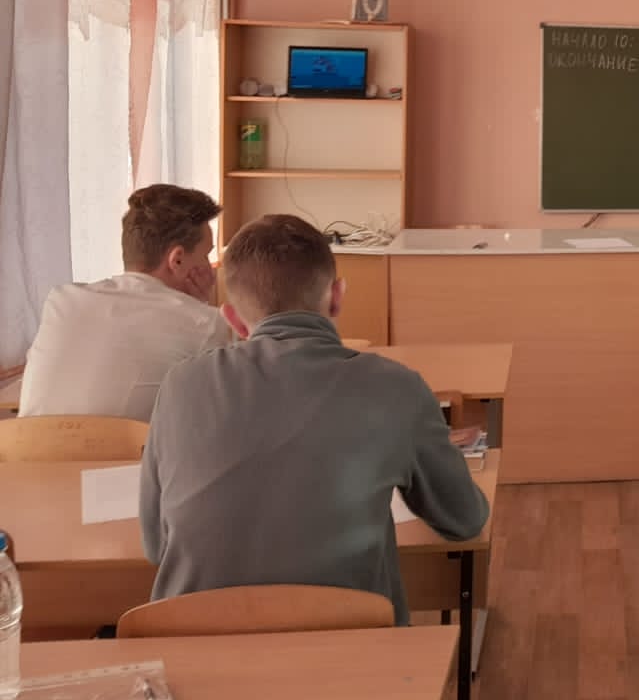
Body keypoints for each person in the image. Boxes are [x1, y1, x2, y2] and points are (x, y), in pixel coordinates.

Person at [139, 214, 488, 624]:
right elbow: (464, 520)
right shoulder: (396, 387)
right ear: (337, 297)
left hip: (196, 641)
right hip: (351, 641)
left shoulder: (180, 384)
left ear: (233, 320)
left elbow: (156, 545)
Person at [21, 185, 233, 421]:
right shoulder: (205, 323)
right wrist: (201, 306)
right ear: (178, 260)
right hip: (128, 447)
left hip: (23, 444)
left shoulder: (62, 299)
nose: (209, 267)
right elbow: (215, 416)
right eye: (206, 254)